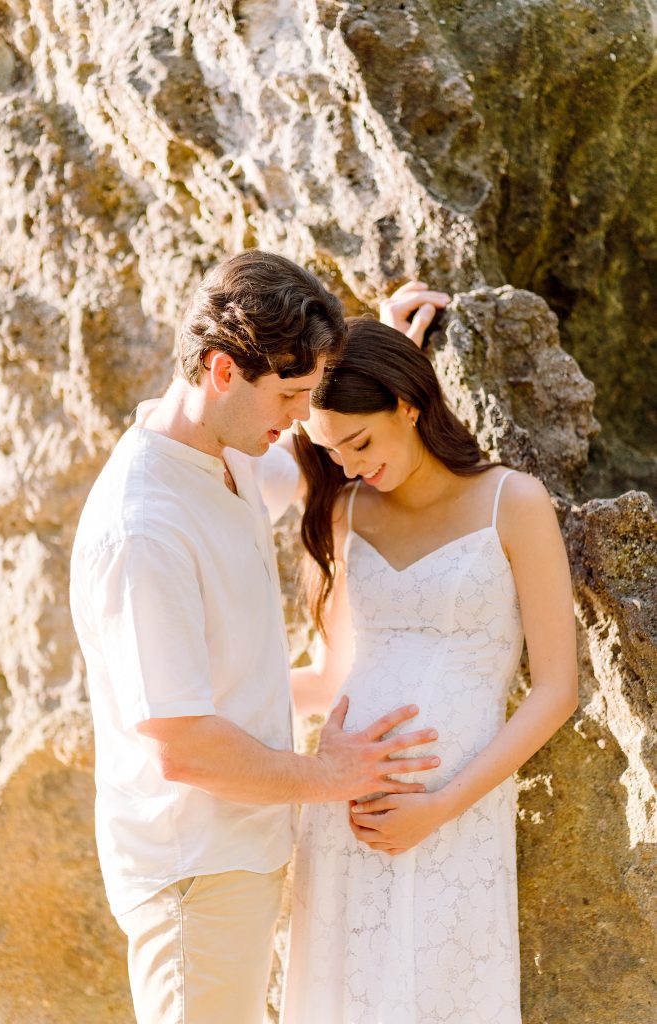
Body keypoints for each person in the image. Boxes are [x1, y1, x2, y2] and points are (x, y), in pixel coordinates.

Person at [69, 251, 441, 1024]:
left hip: (239, 855)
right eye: (290, 394)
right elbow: (184, 746)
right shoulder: (145, 529)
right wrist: (329, 774)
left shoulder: (225, 455)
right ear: (220, 370)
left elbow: (313, 469)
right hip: (191, 877)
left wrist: (385, 356)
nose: (302, 415)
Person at [280, 316, 578, 1024]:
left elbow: (556, 690)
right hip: (345, 806)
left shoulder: (514, 501)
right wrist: (195, 705)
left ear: (408, 405)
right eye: (331, 450)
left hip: (454, 808)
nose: (349, 464)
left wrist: (440, 806)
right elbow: (326, 679)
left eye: (360, 441)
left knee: (443, 992)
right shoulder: (344, 511)